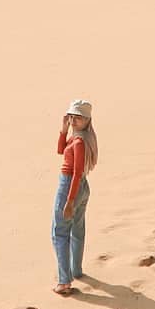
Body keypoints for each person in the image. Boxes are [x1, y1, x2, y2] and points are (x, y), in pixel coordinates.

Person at [52, 98, 98, 295]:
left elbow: (77, 172)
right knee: (77, 229)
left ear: (87, 120)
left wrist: (70, 201)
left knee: (60, 233)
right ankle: (76, 271)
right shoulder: (80, 137)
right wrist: (63, 130)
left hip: (71, 185)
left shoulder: (79, 142)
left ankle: (64, 281)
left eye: (78, 118)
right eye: (71, 116)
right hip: (82, 187)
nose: (73, 121)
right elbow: (60, 150)